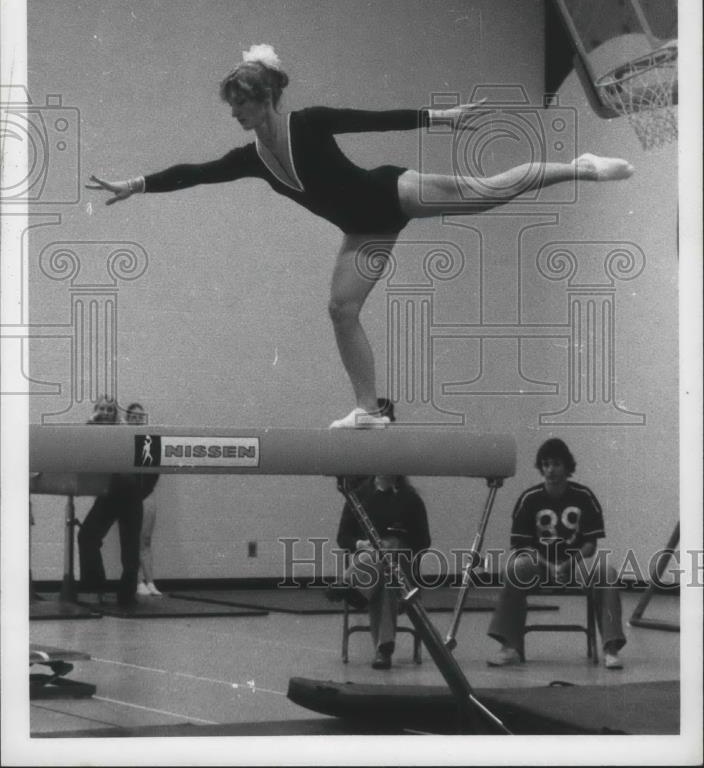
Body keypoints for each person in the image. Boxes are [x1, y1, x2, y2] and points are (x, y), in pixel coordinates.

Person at [86, 44, 634, 428]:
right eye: (231, 104)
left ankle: (578, 166)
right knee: (341, 310)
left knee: (487, 192)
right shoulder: (250, 160)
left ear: (265, 98)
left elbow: (375, 119)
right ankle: (369, 411)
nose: (235, 112)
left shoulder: (311, 122)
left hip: (390, 193)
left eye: (242, 102)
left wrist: (440, 118)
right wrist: (137, 184)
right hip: (364, 230)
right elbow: (195, 172)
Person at [487, 437, 627, 670]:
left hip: (576, 563)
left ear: (567, 466)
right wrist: (549, 566)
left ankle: (610, 649)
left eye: (556, 464)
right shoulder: (529, 499)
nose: (550, 470)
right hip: (539, 564)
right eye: (546, 464)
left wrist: (569, 563)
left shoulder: (584, 497)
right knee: (514, 569)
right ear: (541, 467)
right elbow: (522, 547)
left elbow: (591, 544)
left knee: (606, 572)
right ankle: (509, 647)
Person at [333, 473, 431, 670]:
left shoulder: (410, 499)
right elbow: (343, 537)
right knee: (387, 574)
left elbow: (423, 542)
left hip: (397, 569)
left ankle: (351, 583)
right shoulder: (359, 496)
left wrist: (398, 541)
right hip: (374, 565)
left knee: (389, 548)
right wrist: (361, 543)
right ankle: (383, 649)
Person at [77, 396, 143, 609]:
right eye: (102, 409)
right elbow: (77, 443)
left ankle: (127, 596)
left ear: (115, 413)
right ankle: (95, 587)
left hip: (130, 495)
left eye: (109, 409)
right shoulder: (94, 432)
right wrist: (90, 419)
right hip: (109, 495)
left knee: (130, 549)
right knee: (86, 536)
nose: (105, 412)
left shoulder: (123, 430)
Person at [126, 402, 162, 598]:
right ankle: (138, 581)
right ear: (127, 419)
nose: (137, 420)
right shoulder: (122, 441)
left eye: (141, 417)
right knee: (132, 539)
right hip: (129, 495)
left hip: (146, 493)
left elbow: (154, 472)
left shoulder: (150, 442)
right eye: (133, 417)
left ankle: (150, 581)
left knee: (145, 539)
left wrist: (143, 492)